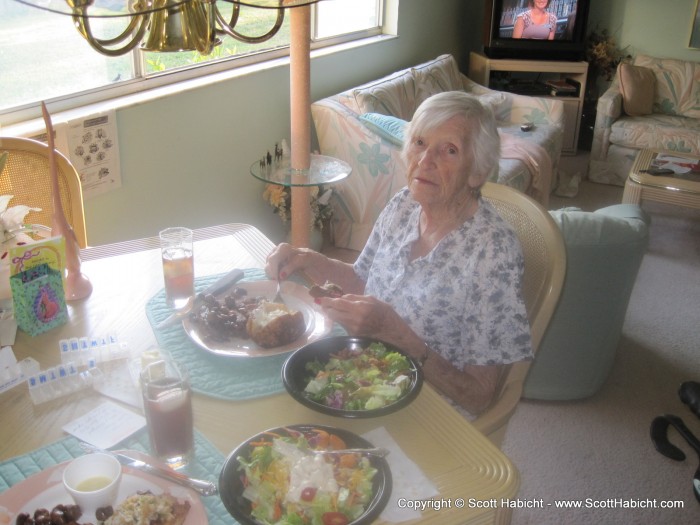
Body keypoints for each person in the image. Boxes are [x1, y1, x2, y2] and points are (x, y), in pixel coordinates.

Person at [265, 91, 533, 417]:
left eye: (449, 150)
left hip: (430, 411)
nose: (425, 161)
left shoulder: (493, 252)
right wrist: (308, 259)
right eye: (419, 143)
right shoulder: (404, 203)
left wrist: (396, 334)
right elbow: (362, 279)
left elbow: (479, 396)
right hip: (363, 378)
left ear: (477, 171)